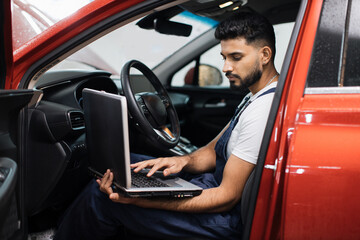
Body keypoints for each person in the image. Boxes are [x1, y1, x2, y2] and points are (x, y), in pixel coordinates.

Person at [54, 11, 279, 240]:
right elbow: (212, 151)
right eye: (224, 57)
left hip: (223, 220)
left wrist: (146, 200)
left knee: (104, 197)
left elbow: (225, 198)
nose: (226, 68)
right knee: (125, 167)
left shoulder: (263, 110)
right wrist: (182, 161)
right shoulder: (255, 96)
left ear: (264, 55)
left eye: (236, 57)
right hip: (211, 185)